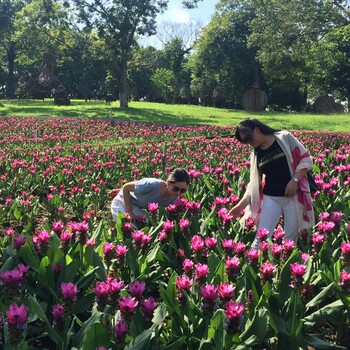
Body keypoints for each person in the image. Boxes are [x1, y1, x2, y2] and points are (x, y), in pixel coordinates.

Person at [228, 118, 315, 248]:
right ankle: (253, 264)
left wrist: (294, 181)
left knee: (290, 240)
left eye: (248, 138)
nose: (248, 143)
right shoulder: (256, 154)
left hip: (293, 197)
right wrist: (239, 207)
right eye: (244, 141)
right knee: (261, 237)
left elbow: (305, 160)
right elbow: (254, 185)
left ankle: (284, 266)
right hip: (271, 198)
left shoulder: (284, 138)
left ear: (256, 130)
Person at [111, 168, 190, 221]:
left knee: (144, 226)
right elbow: (126, 187)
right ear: (168, 183)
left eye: (183, 190)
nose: (179, 193)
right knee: (126, 223)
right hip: (123, 201)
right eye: (175, 189)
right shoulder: (151, 184)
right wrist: (130, 212)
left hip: (139, 208)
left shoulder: (175, 198)